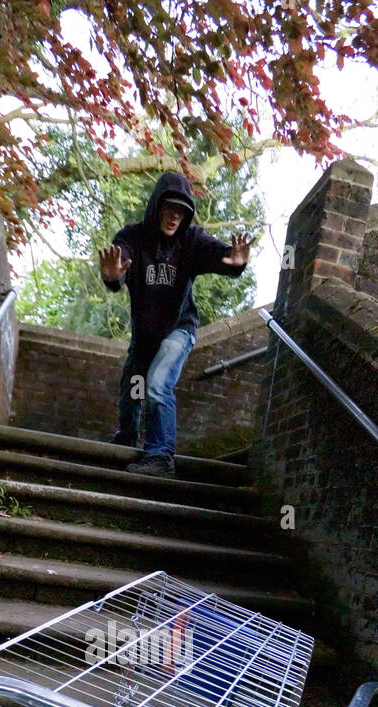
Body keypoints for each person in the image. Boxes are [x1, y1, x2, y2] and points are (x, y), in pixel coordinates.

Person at [98, 170, 253, 477]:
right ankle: (128, 439)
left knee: (156, 384)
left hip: (179, 329)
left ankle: (160, 455)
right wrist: (113, 277)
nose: (173, 218)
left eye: (180, 213)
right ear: (156, 208)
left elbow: (218, 254)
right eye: (168, 211)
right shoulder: (132, 237)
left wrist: (234, 264)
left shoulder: (192, 241)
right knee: (133, 392)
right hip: (145, 336)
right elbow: (119, 266)